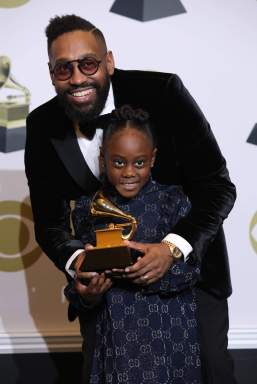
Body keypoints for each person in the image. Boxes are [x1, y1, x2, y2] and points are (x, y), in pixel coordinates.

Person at [24, 14, 237, 384]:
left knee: (209, 373)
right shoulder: (42, 124)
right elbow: (50, 222)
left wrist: (170, 249)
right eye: (64, 69)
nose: (77, 78)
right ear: (50, 72)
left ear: (108, 60)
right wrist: (80, 264)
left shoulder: (164, 92)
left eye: (88, 64)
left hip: (189, 284)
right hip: (109, 300)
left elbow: (217, 187)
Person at [65, 105, 201, 384]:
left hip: (169, 335)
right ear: (103, 158)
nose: (129, 172)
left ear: (152, 158)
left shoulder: (173, 201)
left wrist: (152, 271)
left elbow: (193, 270)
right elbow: (78, 281)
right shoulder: (86, 209)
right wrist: (87, 293)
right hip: (115, 338)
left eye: (138, 163)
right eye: (118, 162)